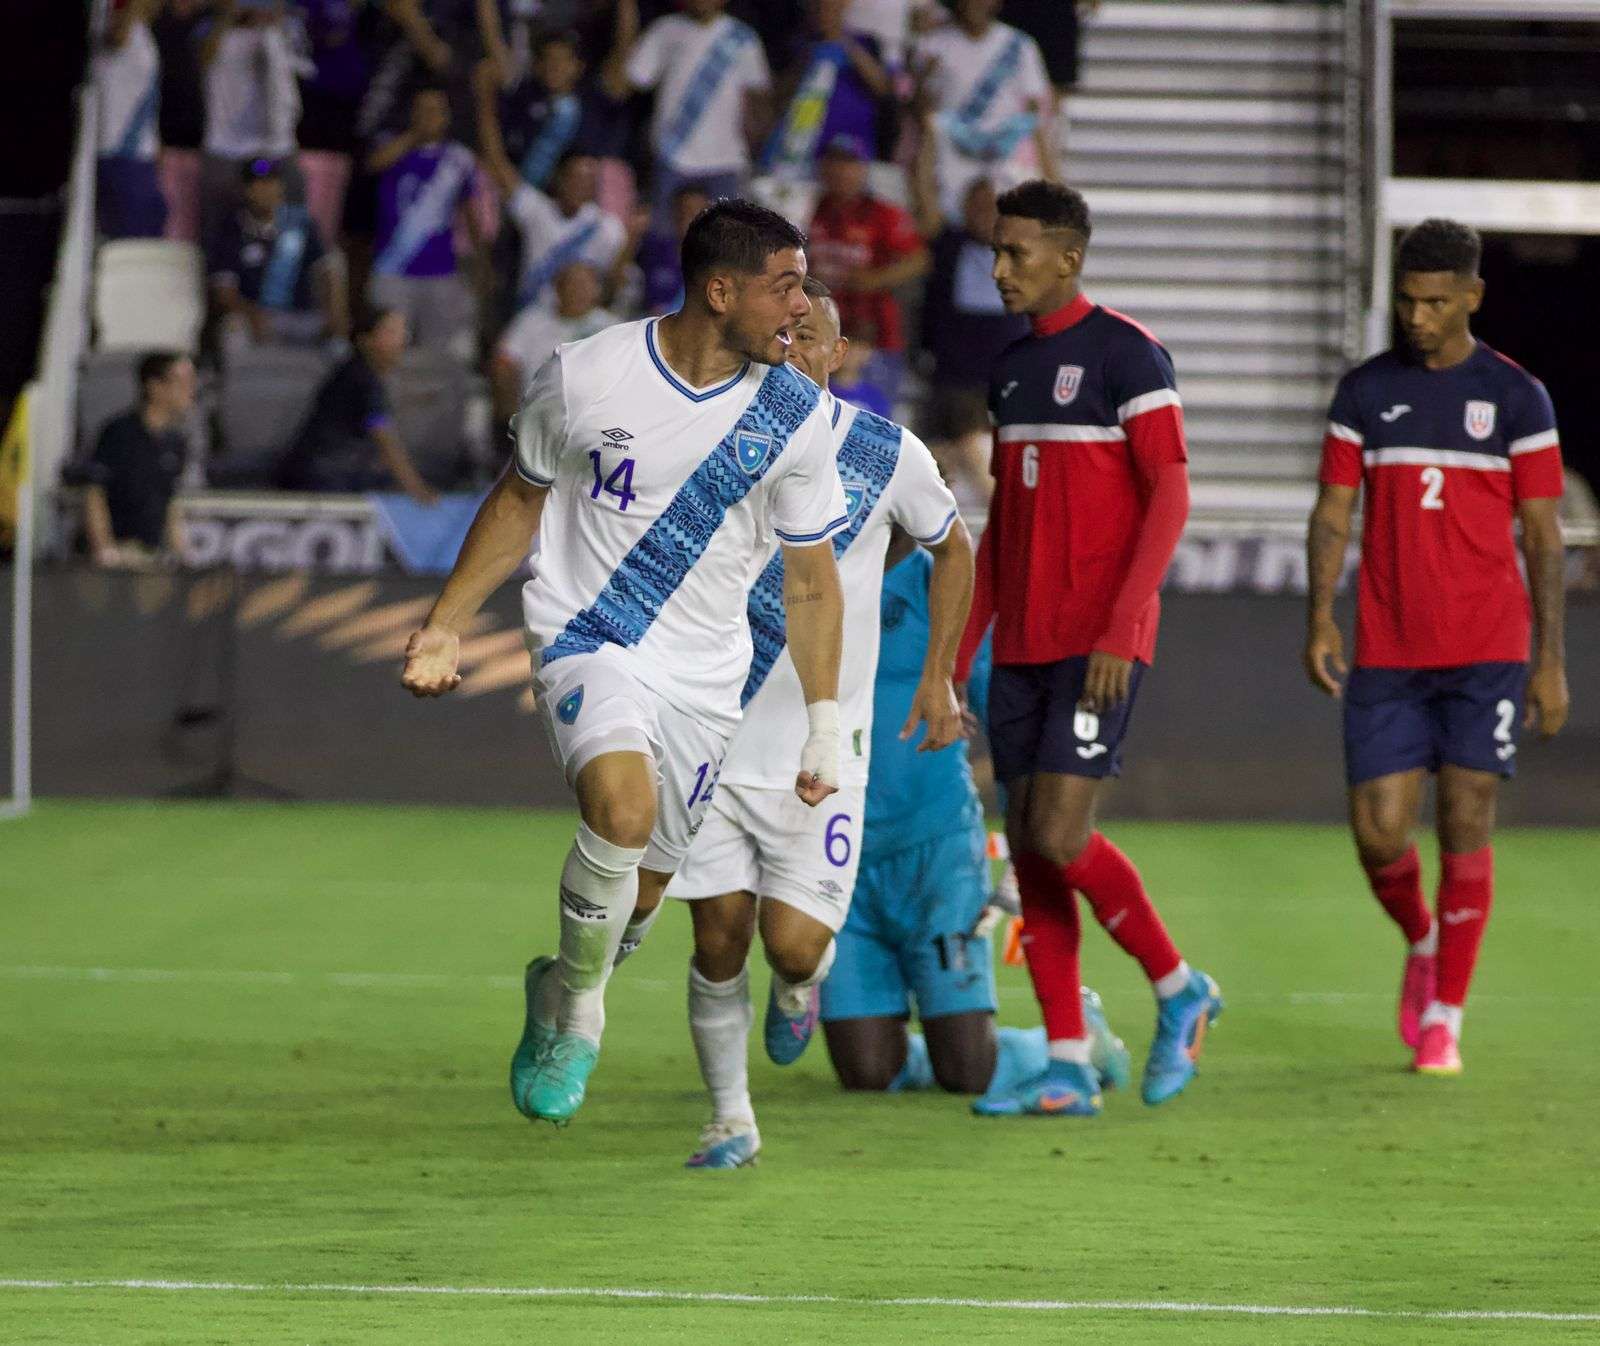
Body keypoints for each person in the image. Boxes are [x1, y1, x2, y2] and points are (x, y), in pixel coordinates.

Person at [400, 200, 850, 1128]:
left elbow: (810, 585)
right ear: (720, 291)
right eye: (787, 286)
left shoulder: (796, 415)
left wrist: (824, 723)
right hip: (587, 634)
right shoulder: (588, 374)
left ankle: (560, 982)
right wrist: (446, 622)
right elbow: (521, 499)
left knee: (639, 898)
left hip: (705, 676)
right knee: (622, 808)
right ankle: (579, 1018)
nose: (802, 308)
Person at [654, 277, 967, 1169]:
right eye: (781, 335)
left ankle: (804, 987)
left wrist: (938, 674)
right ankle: (730, 1119)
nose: (793, 350)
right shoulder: (710, 437)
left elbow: (954, 548)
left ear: (838, 355)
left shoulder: (884, 452)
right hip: (713, 732)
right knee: (717, 935)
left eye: (811, 337)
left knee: (791, 948)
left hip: (821, 745)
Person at [956, 180, 1221, 1118]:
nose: (999, 269)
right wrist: (959, 659)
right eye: (996, 250)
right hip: (1022, 644)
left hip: (1099, 642)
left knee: (1061, 835)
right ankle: (1068, 1056)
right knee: (1031, 852)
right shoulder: (1011, 370)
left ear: (1070, 256)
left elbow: (1171, 494)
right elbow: (1001, 531)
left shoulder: (1127, 353)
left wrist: (1120, 624)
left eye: (1017, 252)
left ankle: (1178, 984)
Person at [1303, 218, 1569, 1077]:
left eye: (1435, 303)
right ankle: (1422, 937)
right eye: (1408, 301)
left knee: (1464, 817)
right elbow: (1334, 511)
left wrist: (1551, 660)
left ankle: (1446, 1014)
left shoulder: (1520, 399)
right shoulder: (1365, 394)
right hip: (1388, 648)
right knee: (1380, 834)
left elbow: (1542, 535)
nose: (1417, 318)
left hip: (1487, 649)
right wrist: (1319, 615)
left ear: (1472, 298)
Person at [822, 536, 1132, 1115]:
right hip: (836, 856)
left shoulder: (938, 585)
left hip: (935, 852)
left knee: (967, 1070)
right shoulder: (811, 578)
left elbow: (1016, 732)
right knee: (867, 1072)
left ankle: (1080, 1041)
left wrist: (1025, 852)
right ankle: (906, 1047)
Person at [472, 64, 635, 316]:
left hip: (578, 329)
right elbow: (496, 162)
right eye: (576, 178)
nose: (582, 186)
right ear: (559, 179)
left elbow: (616, 285)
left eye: (589, 180)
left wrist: (632, 242)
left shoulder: (607, 228)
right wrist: (484, 100)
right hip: (532, 322)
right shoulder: (536, 210)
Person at [912, 150, 1026, 504]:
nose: (984, 215)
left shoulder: (1021, 252)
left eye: (993, 208)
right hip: (950, 375)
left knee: (978, 455)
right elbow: (924, 200)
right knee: (941, 457)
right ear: (963, 208)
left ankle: (1006, 520)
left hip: (999, 379)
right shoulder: (949, 243)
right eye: (977, 206)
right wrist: (928, 140)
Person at [603, 0, 772, 222]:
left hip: (726, 164)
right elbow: (621, 87)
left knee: (725, 247)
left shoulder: (743, 38)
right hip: (671, 159)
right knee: (664, 246)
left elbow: (759, 102)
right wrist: (626, 19)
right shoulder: (665, 30)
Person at [804, 133, 929, 404]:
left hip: (876, 337)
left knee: (874, 423)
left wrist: (875, 279)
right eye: (834, 162)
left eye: (849, 163)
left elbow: (919, 259)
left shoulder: (883, 213)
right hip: (824, 335)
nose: (841, 171)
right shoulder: (812, 209)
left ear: (863, 169)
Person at [913, 0, 1056, 221]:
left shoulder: (1019, 44)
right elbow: (922, 112)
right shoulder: (934, 44)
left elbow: (1033, 113)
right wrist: (923, 77)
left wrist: (1050, 173)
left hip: (1006, 150)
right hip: (954, 149)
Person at [277, 306, 437, 501]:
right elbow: (383, 437)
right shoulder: (361, 379)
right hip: (321, 477)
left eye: (404, 331)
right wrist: (417, 490)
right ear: (365, 340)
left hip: (334, 472)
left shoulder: (360, 374)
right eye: (391, 332)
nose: (401, 340)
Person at [366, 84, 480, 352]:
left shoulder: (459, 158)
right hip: (392, 266)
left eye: (435, 111)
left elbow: (471, 212)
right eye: (422, 110)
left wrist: (479, 260)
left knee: (438, 350)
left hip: (440, 270)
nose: (429, 116)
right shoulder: (391, 146)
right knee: (387, 347)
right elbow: (374, 163)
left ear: (447, 116)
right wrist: (414, 136)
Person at [206, 158, 346, 352]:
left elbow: (327, 272)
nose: (268, 190)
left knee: (339, 345)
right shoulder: (232, 229)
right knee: (233, 329)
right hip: (257, 316)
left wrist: (335, 313)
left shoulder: (300, 223)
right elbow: (223, 292)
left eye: (273, 183)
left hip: (302, 315)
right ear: (246, 189)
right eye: (260, 184)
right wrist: (251, 314)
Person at [198, 0, 305, 244]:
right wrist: (228, 15)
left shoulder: (283, 32)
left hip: (275, 148)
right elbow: (202, 61)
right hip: (225, 149)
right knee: (219, 233)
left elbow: (301, 68)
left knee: (288, 231)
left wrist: (273, 22)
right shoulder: (210, 29)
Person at [80, 352, 196, 568]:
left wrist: (183, 553)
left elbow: (170, 502)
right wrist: (104, 548)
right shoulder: (118, 433)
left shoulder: (176, 442)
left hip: (151, 554)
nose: (190, 390)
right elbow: (95, 493)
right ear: (155, 386)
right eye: (182, 381)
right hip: (118, 551)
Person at [763, 0, 893, 178]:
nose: (822, 11)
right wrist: (806, 60)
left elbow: (883, 87)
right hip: (798, 156)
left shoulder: (866, 43)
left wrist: (842, 40)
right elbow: (777, 96)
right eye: (816, 6)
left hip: (846, 159)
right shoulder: (797, 45)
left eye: (829, 5)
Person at [492, 261, 619, 428]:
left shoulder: (612, 327)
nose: (579, 291)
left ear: (597, 291)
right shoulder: (532, 320)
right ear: (558, 289)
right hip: (536, 414)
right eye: (573, 285)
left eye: (586, 285)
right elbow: (505, 359)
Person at [93, 0, 169, 239]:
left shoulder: (143, 33)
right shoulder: (121, 29)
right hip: (118, 154)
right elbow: (116, 36)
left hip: (139, 157)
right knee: (128, 243)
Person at [637, 181, 712, 316]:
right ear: (675, 214)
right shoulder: (653, 250)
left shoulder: (719, 261)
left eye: (698, 212)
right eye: (686, 211)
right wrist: (633, 234)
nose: (692, 218)